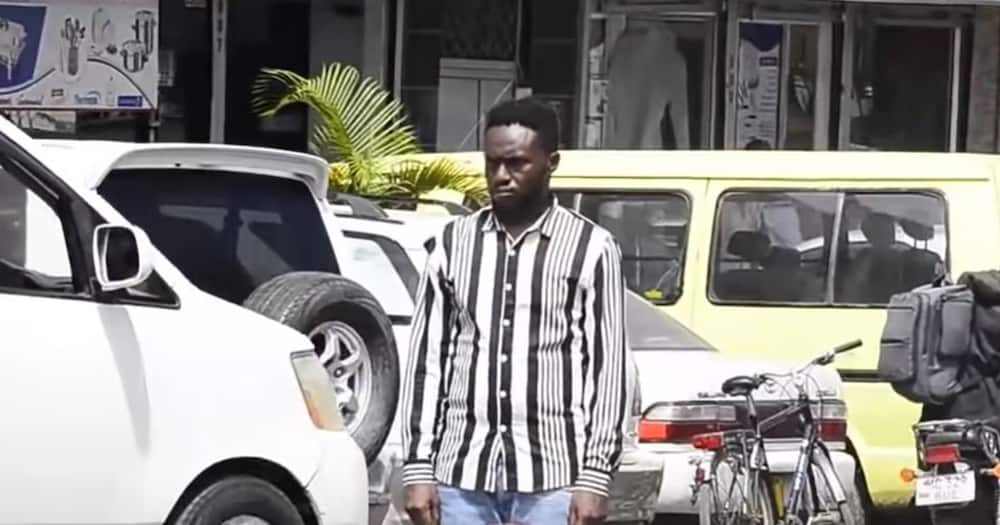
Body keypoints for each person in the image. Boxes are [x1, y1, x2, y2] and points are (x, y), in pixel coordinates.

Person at [398, 97, 629, 525]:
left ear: (551, 162)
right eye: (492, 164)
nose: (501, 176)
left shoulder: (592, 250)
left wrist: (596, 477)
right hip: (461, 476)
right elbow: (426, 363)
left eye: (517, 163)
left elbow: (608, 370)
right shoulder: (452, 245)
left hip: (554, 480)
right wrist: (417, 468)